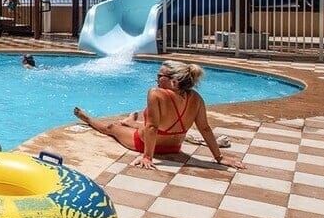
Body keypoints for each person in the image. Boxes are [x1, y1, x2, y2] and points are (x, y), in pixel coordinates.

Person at [74, 60, 245, 171]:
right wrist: (219, 157)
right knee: (145, 125)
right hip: (174, 147)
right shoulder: (197, 98)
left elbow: (152, 127)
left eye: (160, 76)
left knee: (112, 128)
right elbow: (205, 128)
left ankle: (87, 118)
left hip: (145, 144)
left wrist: (147, 156)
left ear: (174, 81)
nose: (156, 78)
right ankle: (130, 122)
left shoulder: (155, 93)